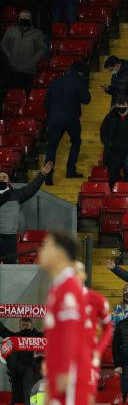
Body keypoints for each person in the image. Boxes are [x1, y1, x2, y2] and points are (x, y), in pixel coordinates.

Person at [38, 231, 91, 404]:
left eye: (46, 246)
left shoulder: (68, 287)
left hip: (69, 374)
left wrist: (65, 370)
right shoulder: (58, 286)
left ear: (59, 253)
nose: (40, 250)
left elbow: (71, 332)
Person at [44, 61, 90, 182]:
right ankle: (70, 170)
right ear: (80, 72)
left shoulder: (56, 81)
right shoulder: (79, 81)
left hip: (55, 118)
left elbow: (46, 101)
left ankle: (47, 174)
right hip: (71, 119)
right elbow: (86, 99)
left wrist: (50, 117)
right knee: (76, 142)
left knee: (52, 146)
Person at [0, 164, 51, 263]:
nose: (1, 179)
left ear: (9, 181)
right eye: (0, 177)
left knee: (10, 266)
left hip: (9, 238)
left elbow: (31, 188)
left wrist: (42, 175)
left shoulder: (16, 195)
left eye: (4, 177)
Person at [100, 97, 128, 188]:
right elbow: (103, 132)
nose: (120, 107)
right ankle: (113, 195)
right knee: (113, 179)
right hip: (114, 153)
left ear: (127, 104)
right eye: (118, 104)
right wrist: (109, 144)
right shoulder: (110, 117)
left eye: (123, 104)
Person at [1, 9, 47, 91]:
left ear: (31, 19)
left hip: (28, 71)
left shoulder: (37, 33)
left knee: (25, 94)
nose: (24, 18)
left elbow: (43, 49)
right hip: (12, 69)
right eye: (22, 16)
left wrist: (33, 61)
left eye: (27, 17)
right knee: (12, 94)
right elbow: (3, 45)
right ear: (19, 18)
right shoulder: (11, 30)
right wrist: (9, 57)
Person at [0, 318, 43, 404]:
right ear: (19, 326)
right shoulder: (15, 337)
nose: (25, 326)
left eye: (27, 324)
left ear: (31, 325)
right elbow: (3, 331)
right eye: (23, 325)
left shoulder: (40, 336)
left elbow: (52, 330)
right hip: (19, 370)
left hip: (36, 370)